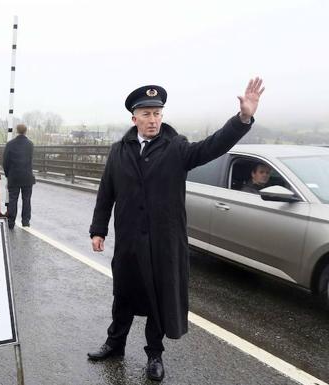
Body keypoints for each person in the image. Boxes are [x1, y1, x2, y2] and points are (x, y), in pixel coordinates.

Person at [87, 78, 265, 382]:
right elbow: (107, 192)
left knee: (158, 299)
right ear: (134, 118)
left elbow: (213, 146)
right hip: (129, 241)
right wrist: (98, 229)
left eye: (157, 113)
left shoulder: (177, 148)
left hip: (163, 243)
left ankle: (154, 356)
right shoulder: (119, 151)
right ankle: (114, 344)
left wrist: (243, 119)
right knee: (124, 295)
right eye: (146, 114)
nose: (153, 119)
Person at [3, 124, 35, 229]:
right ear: (26, 131)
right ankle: (25, 221)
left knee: (13, 200)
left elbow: (5, 162)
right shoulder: (30, 144)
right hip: (27, 176)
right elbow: (30, 160)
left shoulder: (10, 144)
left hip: (14, 176)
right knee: (26, 200)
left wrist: (8, 174)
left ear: (16, 131)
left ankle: (11, 222)